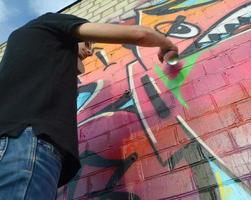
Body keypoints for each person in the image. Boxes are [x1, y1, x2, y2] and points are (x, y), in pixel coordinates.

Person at [0, 12, 178, 199]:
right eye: (87, 42)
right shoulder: (51, 22)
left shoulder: (21, 50)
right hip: (25, 146)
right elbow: (138, 33)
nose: (90, 50)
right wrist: (166, 43)